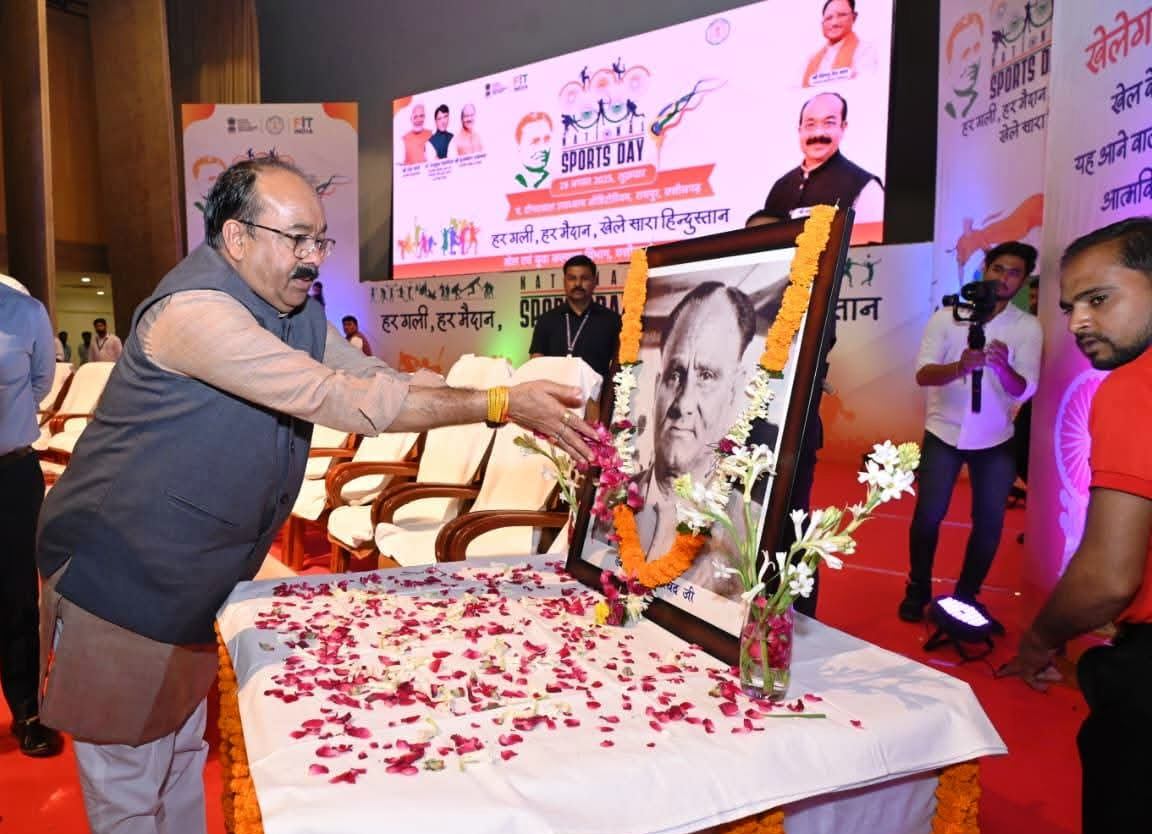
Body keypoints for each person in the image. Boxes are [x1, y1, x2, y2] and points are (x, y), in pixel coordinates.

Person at [35, 156, 596, 834]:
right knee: (129, 783)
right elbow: (334, 397)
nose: (314, 257)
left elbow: (372, 378)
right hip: (120, 580)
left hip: (191, 580)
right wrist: (498, 404)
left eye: (320, 240)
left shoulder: (293, 310)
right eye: (297, 238)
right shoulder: (195, 314)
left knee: (179, 758)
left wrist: (495, 395)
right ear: (237, 236)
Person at [996, 217, 1152, 834]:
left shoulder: (1133, 387)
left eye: (1098, 299)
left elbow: (1107, 578)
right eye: (1069, 308)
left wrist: (1040, 639)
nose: (1078, 322)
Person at [898, 241, 1042, 622]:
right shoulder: (947, 318)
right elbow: (923, 374)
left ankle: (966, 596)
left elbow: (1025, 389)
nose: (1004, 278)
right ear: (985, 269)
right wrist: (959, 367)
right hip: (943, 432)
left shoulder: (1027, 327)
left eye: (1014, 273)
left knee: (989, 524)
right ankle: (917, 588)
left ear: (1024, 280)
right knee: (928, 516)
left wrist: (1003, 367)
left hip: (996, 438)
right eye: (998, 269)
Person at [633, 282, 759, 595]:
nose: (683, 404)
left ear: (734, 391)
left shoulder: (749, 533)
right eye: (675, 374)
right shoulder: (610, 502)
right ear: (658, 385)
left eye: (706, 376)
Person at [743, 211, 836, 617]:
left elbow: (814, 349)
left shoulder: (812, 288)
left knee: (790, 526)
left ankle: (797, 618)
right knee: (740, 524)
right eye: (752, 237)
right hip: (738, 434)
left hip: (790, 436)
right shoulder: (734, 288)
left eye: (770, 236)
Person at [0, 277, 63, 758]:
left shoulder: (24, 312)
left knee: (17, 593)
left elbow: (40, 384)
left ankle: (27, 710)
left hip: (10, 472)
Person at [761, 92, 883, 224]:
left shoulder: (866, 188)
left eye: (829, 123)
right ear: (800, 130)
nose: (818, 133)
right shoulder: (781, 187)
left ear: (843, 127)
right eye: (810, 124)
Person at [529, 254, 621, 380]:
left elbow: (620, 366)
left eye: (584, 278)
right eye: (572, 278)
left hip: (598, 392)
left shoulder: (612, 321)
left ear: (595, 281)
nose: (578, 283)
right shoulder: (546, 320)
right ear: (564, 282)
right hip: (553, 391)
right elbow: (536, 363)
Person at [802, 0, 880, 87]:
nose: (834, 23)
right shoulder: (811, 60)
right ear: (822, 24)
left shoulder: (865, 50)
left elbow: (864, 85)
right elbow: (796, 90)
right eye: (828, 18)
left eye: (841, 15)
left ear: (854, 17)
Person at [514, 112, 553, 189]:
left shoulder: (558, 180)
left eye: (547, 140)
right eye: (535, 141)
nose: (543, 148)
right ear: (519, 147)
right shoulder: (507, 182)